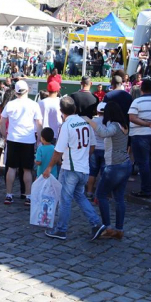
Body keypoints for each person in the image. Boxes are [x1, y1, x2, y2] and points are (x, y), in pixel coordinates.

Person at [42, 97, 104, 241]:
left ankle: (61, 229)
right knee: (80, 196)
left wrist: (49, 167)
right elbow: (92, 146)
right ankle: (96, 223)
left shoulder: (67, 125)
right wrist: (82, 156)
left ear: (61, 111)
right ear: (75, 109)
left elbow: (58, 150)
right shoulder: (85, 123)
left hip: (70, 168)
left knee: (65, 200)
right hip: (83, 168)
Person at [83, 101, 131, 240]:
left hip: (114, 166)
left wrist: (89, 120)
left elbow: (103, 133)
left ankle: (107, 227)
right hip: (125, 164)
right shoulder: (124, 125)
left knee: (101, 195)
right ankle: (119, 229)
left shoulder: (114, 125)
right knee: (119, 198)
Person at [0, 80, 42, 206]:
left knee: (11, 168)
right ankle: (28, 196)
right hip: (28, 140)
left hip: (13, 139)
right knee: (27, 170)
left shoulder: (10, 104)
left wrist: (4, 135)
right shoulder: (34, 105)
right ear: (27, 90)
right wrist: (39, 139)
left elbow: (2, 122)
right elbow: (39, 124)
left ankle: (9, 195)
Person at [86, 102, 106, 199]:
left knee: (92, 172)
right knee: (104, 174)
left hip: (94, 148)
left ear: (97, 111)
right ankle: (100, 195)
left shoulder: (93, 121)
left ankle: (89, 192)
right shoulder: (110, 122)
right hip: (105, 149)